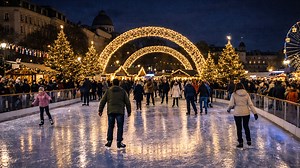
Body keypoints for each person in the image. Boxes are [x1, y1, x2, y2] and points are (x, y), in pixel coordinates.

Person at [98, 79, 131, 149]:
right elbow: (127, 102)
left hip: (111, 111)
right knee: (120, 127)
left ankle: (109, 141)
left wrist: (100, 110)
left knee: (110, 126)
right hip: (120, 111)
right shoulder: (122, 91)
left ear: (112, 83)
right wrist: (129, 111)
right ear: (119, 83)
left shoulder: (108, 91)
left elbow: (103, 101)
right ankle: (119, 142)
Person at [227, 83, 258, 148]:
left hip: (237, 112)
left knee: (239, 128)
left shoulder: (234, 94)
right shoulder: (246, 94)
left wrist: (228, 109)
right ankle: (249, 140)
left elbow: (231, 104)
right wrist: (255, 113)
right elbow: (250, 104)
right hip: (246, 112)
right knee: (246, 126)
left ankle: (240, 142)